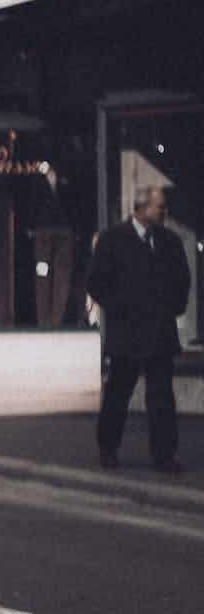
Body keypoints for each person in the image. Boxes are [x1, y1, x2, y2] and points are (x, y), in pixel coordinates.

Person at [88, 184, 192, 474]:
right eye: (159, 206)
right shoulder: (113, 240)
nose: (163, 211)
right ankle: (108, 447)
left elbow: (182, 280)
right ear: (142, 208)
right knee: (118, 393)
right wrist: (119, 307)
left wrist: (172, 307)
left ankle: (164, 454)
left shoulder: (169, 241)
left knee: (161, 397)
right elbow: (96, 282)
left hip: (159, 331)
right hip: (127, 332)